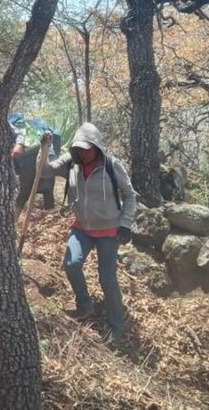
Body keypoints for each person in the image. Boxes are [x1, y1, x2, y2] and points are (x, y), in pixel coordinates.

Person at [41, 122, 136, 343]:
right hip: (82, 226)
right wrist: (44, 150)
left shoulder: (112, 166)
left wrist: (126, 224)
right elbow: (45, 171)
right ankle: (85, 305)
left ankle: (116, 327)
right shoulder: (71, 163)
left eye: (87, 148)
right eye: (79, 149)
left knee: (107, 278)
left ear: (97, 146)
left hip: (109, 229)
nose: (83, 153)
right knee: (72, 264)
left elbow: (130, 196)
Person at [11, 113, 60, 217]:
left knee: (24, 193)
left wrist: (17, 170)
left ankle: (14, 222)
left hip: (27, 159)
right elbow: (57, 135)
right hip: (47, 153)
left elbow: (15, 154)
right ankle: (49, 221)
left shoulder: (14, 128)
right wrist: (55, 156)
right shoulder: (38, 123)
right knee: (48, 191)